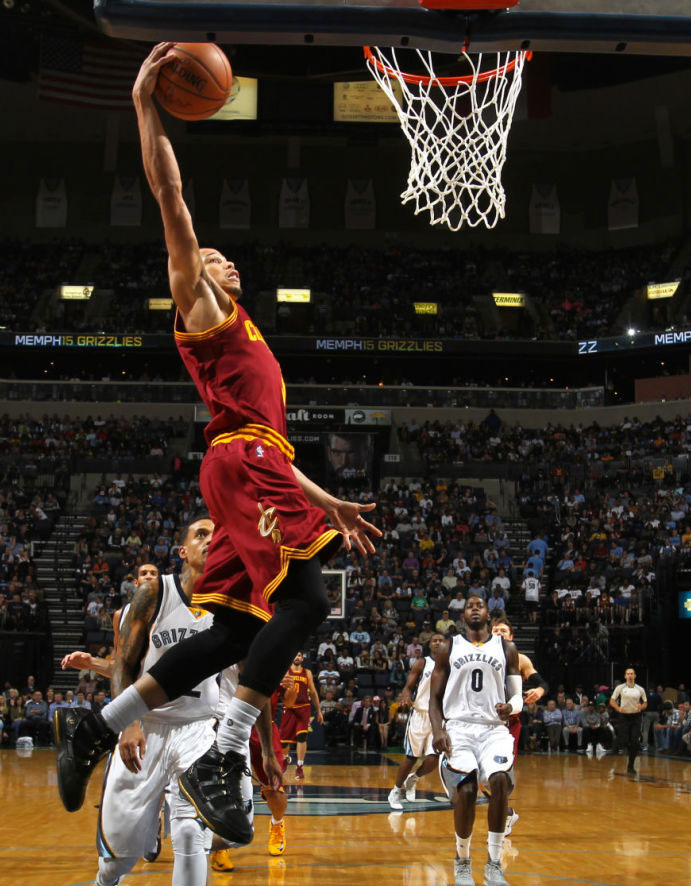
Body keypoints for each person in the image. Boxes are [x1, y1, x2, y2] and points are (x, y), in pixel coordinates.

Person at [55, 43, 381, 846]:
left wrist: (323, 495)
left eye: (223, 257)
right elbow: (168, 192)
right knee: (303, 600)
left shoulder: (246, 336)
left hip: (249, 465)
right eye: (210, 254)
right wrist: (143, 107)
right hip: (242, 463)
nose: (222, 258)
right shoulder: (199, 305)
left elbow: (262, 444)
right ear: (190, 271)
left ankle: (97, 728)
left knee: (233, 633)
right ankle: (222, 756)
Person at [429, 595, 522, 886]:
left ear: (489, 613)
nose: (475, 608)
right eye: (469, 605)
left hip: (493, 728)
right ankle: (463, 862)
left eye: (479, 604)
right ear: (462, 615)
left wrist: (512, 707)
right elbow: (434, 697)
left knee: (499, 783)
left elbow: (517, 694)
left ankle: (494, 864)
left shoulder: (506, 648)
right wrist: (438, 730)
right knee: (467, 791)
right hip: (459, 727)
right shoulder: (448, 646)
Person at [490, 617, 548, 835]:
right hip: (485, 720)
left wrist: (540, 691)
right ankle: (507, 812)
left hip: (509, 722)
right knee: (481, 776)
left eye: (503, 630)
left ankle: (503, 817)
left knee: (503, 775)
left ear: (511, 636)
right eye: (495, 630)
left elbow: (542, 683)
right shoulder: (481, 657)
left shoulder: (520, 659)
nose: (499, 633)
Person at [388, 633, 445, 810]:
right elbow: (409, 685)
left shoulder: (452, 665)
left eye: (441, 640)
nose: (437, 643)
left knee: (433, 759)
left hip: (440, 717)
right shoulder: (423, 662)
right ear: (429, 644)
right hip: (420, 714)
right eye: (434, 640)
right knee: (412, 757)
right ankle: (396, 790)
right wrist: (405, 693)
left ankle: (414, 778)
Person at [278, 651, 323, 779]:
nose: (297, 657)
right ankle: (286, 759)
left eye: (299, 655)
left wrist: (319, 711)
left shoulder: (307, 673)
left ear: (302, 659)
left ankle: (299, 767)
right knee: (284, 742)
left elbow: (313, 692)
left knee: (302, 737)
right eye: (295, 655)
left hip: (304, 708)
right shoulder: (286, 672)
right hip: (290, 708)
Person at [609, 667, 647, 774]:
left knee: (635, 742)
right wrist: (617, 708)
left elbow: (645, 702)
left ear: (635, 676)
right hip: (624, 717)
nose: (630, 675)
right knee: (624, 739)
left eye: (632, 673)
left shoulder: (640, 689)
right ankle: (616, 746)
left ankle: (631, 766)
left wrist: (642, 706)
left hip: (636, 717)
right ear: (625, 676)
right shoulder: (620, 688)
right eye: (628, 674)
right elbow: (612, 700)